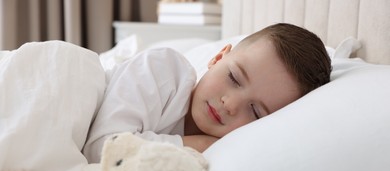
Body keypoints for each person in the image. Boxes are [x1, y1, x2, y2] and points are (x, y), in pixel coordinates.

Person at [83, 23, 332, 163]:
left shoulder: (223, 155)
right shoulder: (165, 70)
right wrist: (192, 144)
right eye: (233, 77)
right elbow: (102, 150)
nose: (230, 104)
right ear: (218, 57)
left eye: (255, 112)